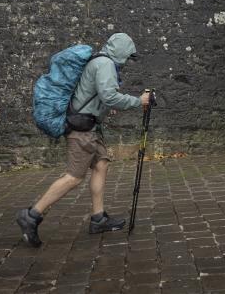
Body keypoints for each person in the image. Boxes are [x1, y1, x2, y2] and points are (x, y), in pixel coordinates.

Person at [16, 32, 150, 247]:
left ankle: (98, 219)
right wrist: (138, 101)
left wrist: (104, 109)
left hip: (90, 127)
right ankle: (32, 215)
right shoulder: (105, 64)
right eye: (128, 56)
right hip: (82, 130)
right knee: (73, 177)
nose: (128, 61)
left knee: (101, 164)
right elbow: (109, 96)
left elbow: (98, 96)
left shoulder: (100, 61)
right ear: (122, 52)